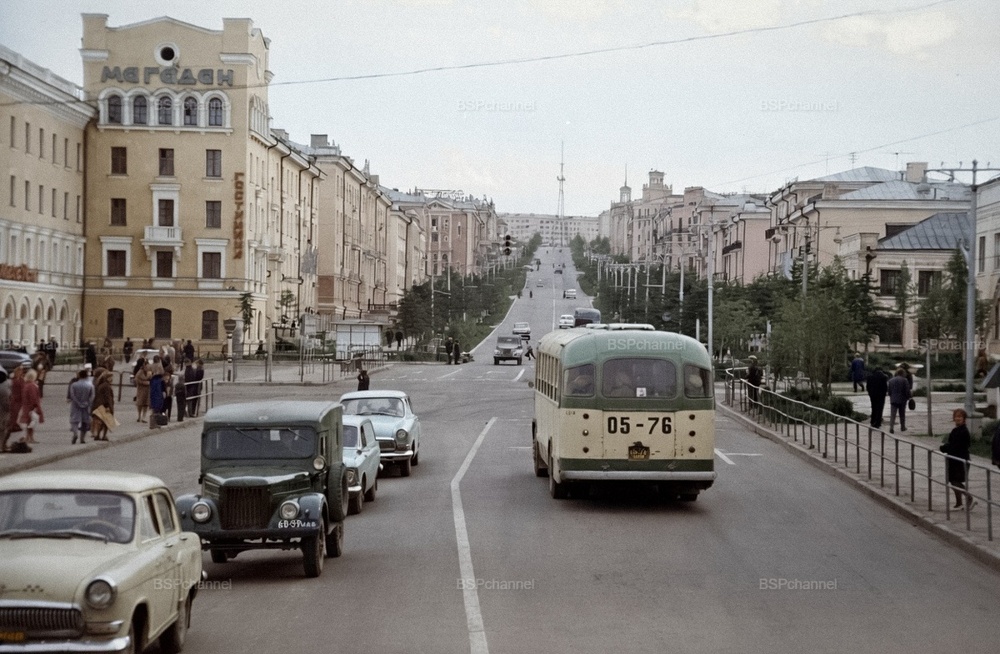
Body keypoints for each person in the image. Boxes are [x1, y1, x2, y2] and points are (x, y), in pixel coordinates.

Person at [941, 408, 975, 509]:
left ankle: (969, 497)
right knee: (952, 481)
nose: (957, 418)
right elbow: (951, 443)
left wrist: (944, 448)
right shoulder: (956, 430)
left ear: (964, 419)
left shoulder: (963, 431)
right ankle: (959, 503)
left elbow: (955, 446)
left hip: (960, 460)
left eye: (960, 417)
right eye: (956, 416)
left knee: (956, 481)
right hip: (954, 459)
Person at [67, 369, 95, 444]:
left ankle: (75, 433)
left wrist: (77, 402)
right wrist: (88, 403)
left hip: (75, 405)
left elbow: (72, 395)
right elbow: (92, 396)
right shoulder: (90, 385)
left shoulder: (74, 385)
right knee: (85, 422)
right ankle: (82, 438)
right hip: (86, 406)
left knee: (74, 421)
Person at [17, 368, 44, 444]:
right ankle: (30, 438)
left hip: (26, 406)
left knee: (29, 423)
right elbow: (34, 398)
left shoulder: (26, 385)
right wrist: (35, 406)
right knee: (32, 423)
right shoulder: (32, 386)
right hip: (31, 407)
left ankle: (28, 437)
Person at [92, 370, 115, 441]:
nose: (112, 379)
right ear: (107, 378)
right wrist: (108, 406)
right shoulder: (106, 386)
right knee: (106, 422)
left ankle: (98, 435)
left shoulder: (100, 384)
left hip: (99, 405)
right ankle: (104, 436)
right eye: (110, 377)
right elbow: (107, 397)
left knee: (101, 421)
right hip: (105, 406)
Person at [887, 368, 910, 434]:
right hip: (902, 400)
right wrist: (909, 397)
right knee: (902, 414)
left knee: (893, 414)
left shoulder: (891, 380)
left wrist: (891, 396)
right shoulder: (905, 380)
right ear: (902, 373)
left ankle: (891, 428)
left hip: (893, 399)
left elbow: (889, 391)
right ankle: (902, 427)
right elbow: (907, 390)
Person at [0, 369, 11, 453]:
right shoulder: (5, 387)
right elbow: (6, 402)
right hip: (3, 411)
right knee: (3, 429)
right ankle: (1, 446)